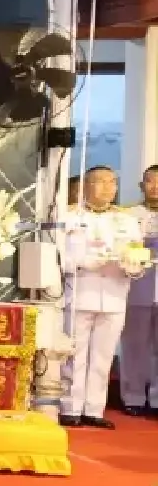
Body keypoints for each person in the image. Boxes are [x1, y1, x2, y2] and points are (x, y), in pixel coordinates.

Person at [62, 164, 148, 429]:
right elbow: (58, 257)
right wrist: (83, 262)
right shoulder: (70, 217)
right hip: (80, 291)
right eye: (101, 181)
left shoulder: (126, 221)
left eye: (113, 182)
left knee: (103, 355)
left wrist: (134, 268)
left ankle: (94, 408)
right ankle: (69, 406)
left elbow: (137, 254)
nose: (109, 187)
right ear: (87, 185)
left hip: (113, 294)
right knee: (74, 353)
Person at [119, 165, 158, 415]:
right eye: (150, 181)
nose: (155, 186)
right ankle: (133, 397)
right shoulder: (128, 215)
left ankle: (156, 399)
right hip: (138, 286)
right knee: (134, 344)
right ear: (141, 186)